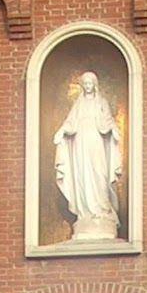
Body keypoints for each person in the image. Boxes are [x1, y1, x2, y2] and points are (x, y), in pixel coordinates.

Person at [52, 71, 123, 239]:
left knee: (99, 174)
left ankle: (102, 210)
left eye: (90, 83)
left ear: (95, 85)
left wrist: (114, 129)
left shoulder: (101, 102)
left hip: (96, 141)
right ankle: (85, 214)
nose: (88, 86)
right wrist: (61, 131)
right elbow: (70, 122)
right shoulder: (78, 104)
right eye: (85, 84)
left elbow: (108, 120)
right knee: (83, 176)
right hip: (80, 144)